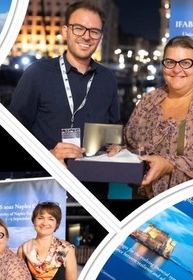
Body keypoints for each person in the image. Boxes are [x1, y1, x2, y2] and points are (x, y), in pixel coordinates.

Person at [108, 35, 193, 198]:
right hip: (143, 205)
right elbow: (133, 145)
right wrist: (122, 152)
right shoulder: (149, 101)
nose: (177, 69)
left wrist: (170, 164)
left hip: (192, 210)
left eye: (186, 62)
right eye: (170, 62)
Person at [8, 0, 120, 166]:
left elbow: (113, 127)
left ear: (100, 37)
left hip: (95, 182)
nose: (87, 36)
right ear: (66, 31)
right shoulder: (37, 73)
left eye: (94, 31)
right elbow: (13, 130)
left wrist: (116, 145)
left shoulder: (107, 78)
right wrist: (48, 155)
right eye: (79, 28)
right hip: (49, 179)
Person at [18, 202, 77, 280]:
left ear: (56, 223)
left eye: (51, 219)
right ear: (33, 221)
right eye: (40, 218)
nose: (45, 223)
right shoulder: (24, 249)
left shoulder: (66, 250)